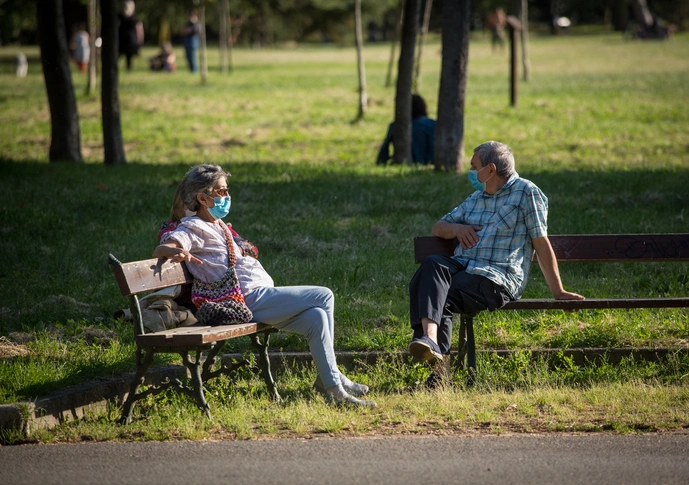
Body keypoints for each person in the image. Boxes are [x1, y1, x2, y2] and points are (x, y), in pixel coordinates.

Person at [153, 164, 376, 407]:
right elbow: (166, 246)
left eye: (227, 191)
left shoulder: (217, 225)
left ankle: (329, 380)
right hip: (247, 299)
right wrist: (179, 253)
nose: (227, 197)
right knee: (324, 296)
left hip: (258, 297)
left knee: (316, 318)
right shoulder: (193, 227)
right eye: (221, 192)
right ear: (203, 198)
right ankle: (334, 388)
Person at [408, 141, 584, 385]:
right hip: (464, 265)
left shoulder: (526, 192)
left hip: (496, 278)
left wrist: (559, 291)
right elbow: (439, 227)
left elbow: (541, 244)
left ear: (490, 169)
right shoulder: (476, 198)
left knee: (435, 291)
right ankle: (430, 342)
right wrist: (458, 229)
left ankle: (439, 372)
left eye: (474, 166)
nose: (471, 172)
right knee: (431, 266)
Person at [376, 94, 436, 165]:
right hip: (428, 162)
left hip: (403, 162)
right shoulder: (432, 124)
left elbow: (384, 148)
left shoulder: (396, 125)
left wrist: (381, 162)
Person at [118, 0, 144, 71]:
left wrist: (140, 39)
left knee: (128, 55)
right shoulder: (119, 17)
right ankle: (114, 67)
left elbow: (139, 28)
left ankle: (128, 68)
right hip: (121, 38)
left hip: (130, 40)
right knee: (118, 54)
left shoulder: (135, 18)